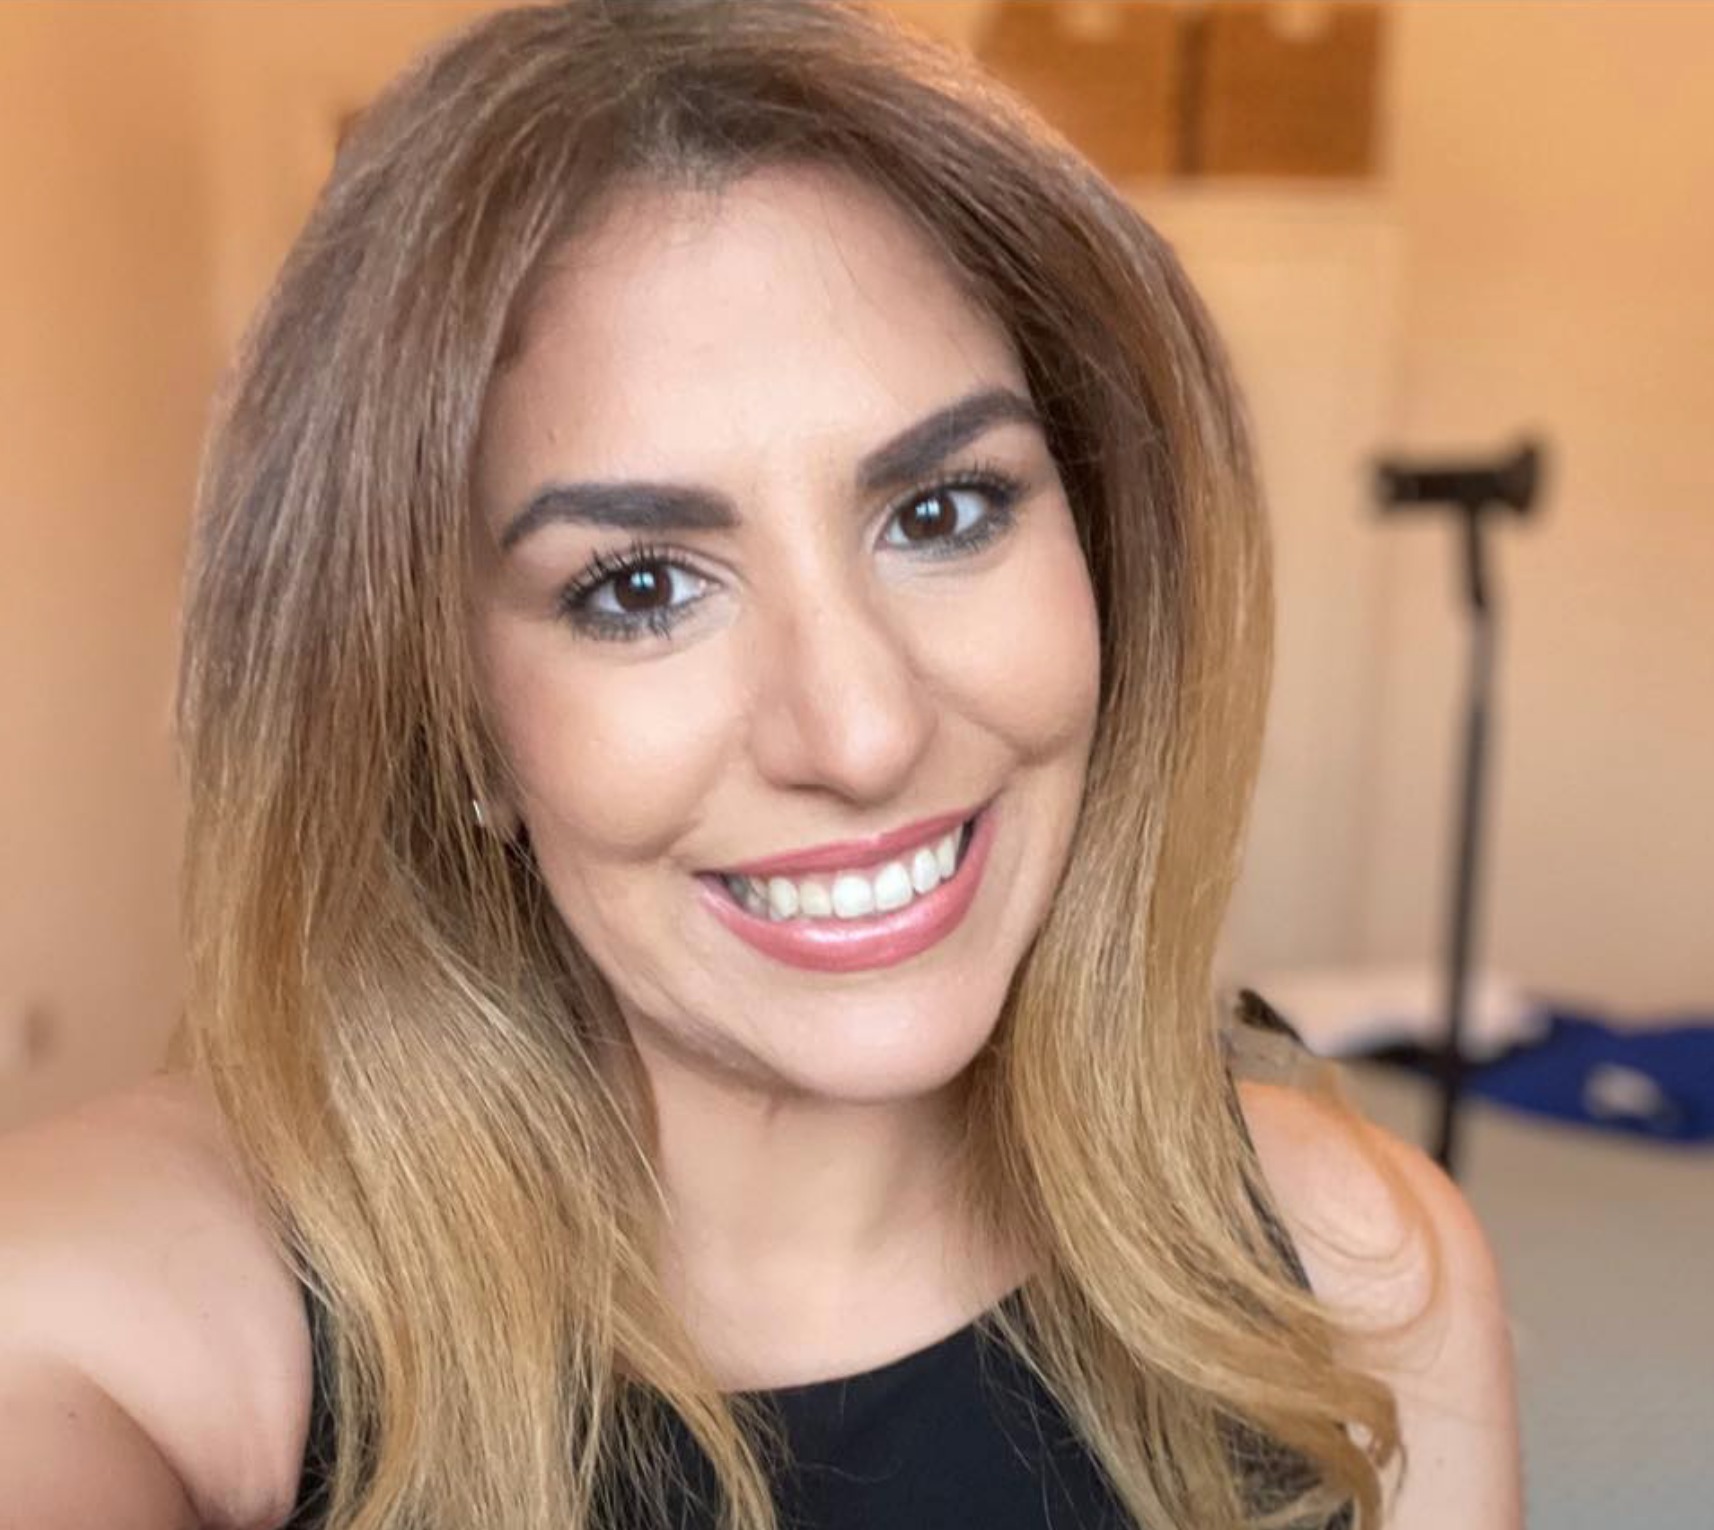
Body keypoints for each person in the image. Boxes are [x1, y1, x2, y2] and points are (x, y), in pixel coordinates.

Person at [0, 2, 1520, 1527]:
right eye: (641, 586)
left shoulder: (1361, 1271)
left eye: (941, 510)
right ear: (446, 715)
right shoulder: (142, 1314)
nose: (861, 732)